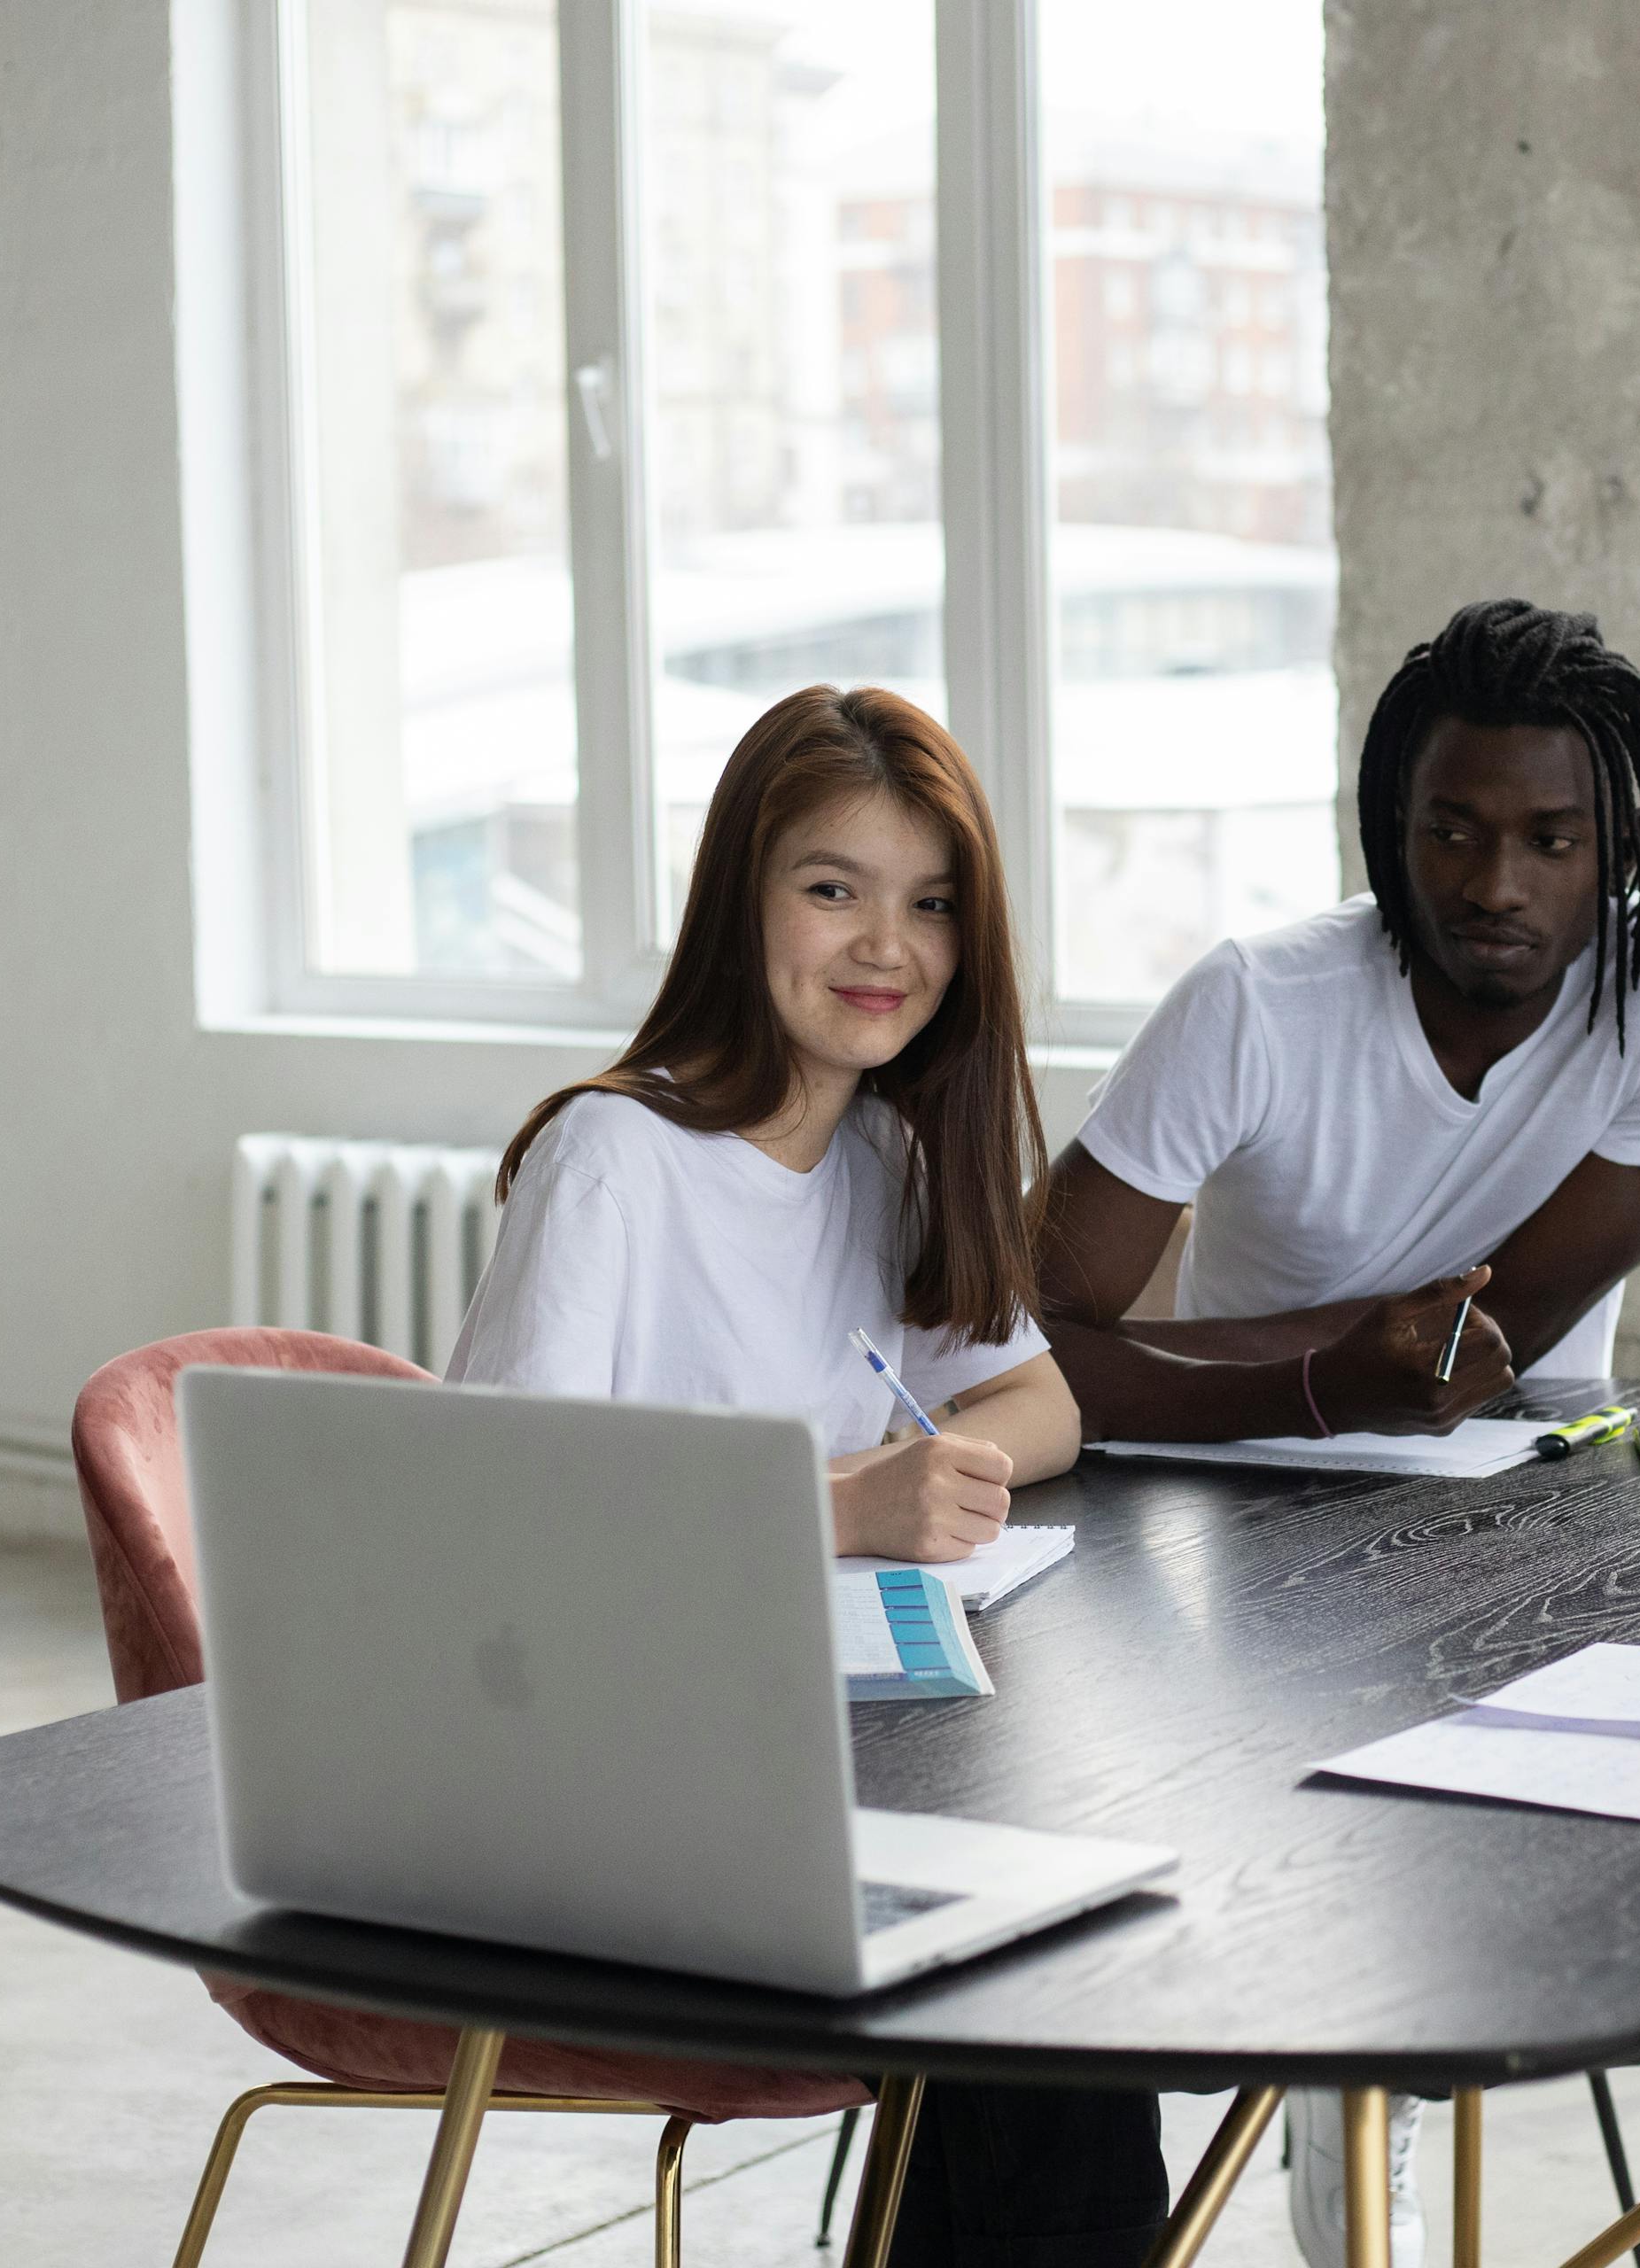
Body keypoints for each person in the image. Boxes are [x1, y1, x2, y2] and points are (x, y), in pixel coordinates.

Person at [1030, 598, 1640, 2267]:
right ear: (1391, 826)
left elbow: (1477, 1345)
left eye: (1548, 838)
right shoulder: (1257, 1002)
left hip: (1518, 1519)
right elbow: (1019, 1343)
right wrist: (1307, 1385)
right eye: (1448, 828)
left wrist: (1329, 1364)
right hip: (1202, 1527)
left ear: (1620, 849)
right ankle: (1325, 2098)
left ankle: (1382, 2083)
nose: (1493, 882)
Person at [446, 686, 1161, 2268]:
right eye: (832, 889)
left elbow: (1045, 1396)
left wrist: (938, 1461)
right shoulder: (612, 1157)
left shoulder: (885, 1160)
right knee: (1037, 1984)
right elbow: (500, 1519)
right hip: (608, 1778)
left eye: (928, 905)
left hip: (818, 1744)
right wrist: (838, 1506)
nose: (883, 946)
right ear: (739, 898)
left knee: (1069, 1948)